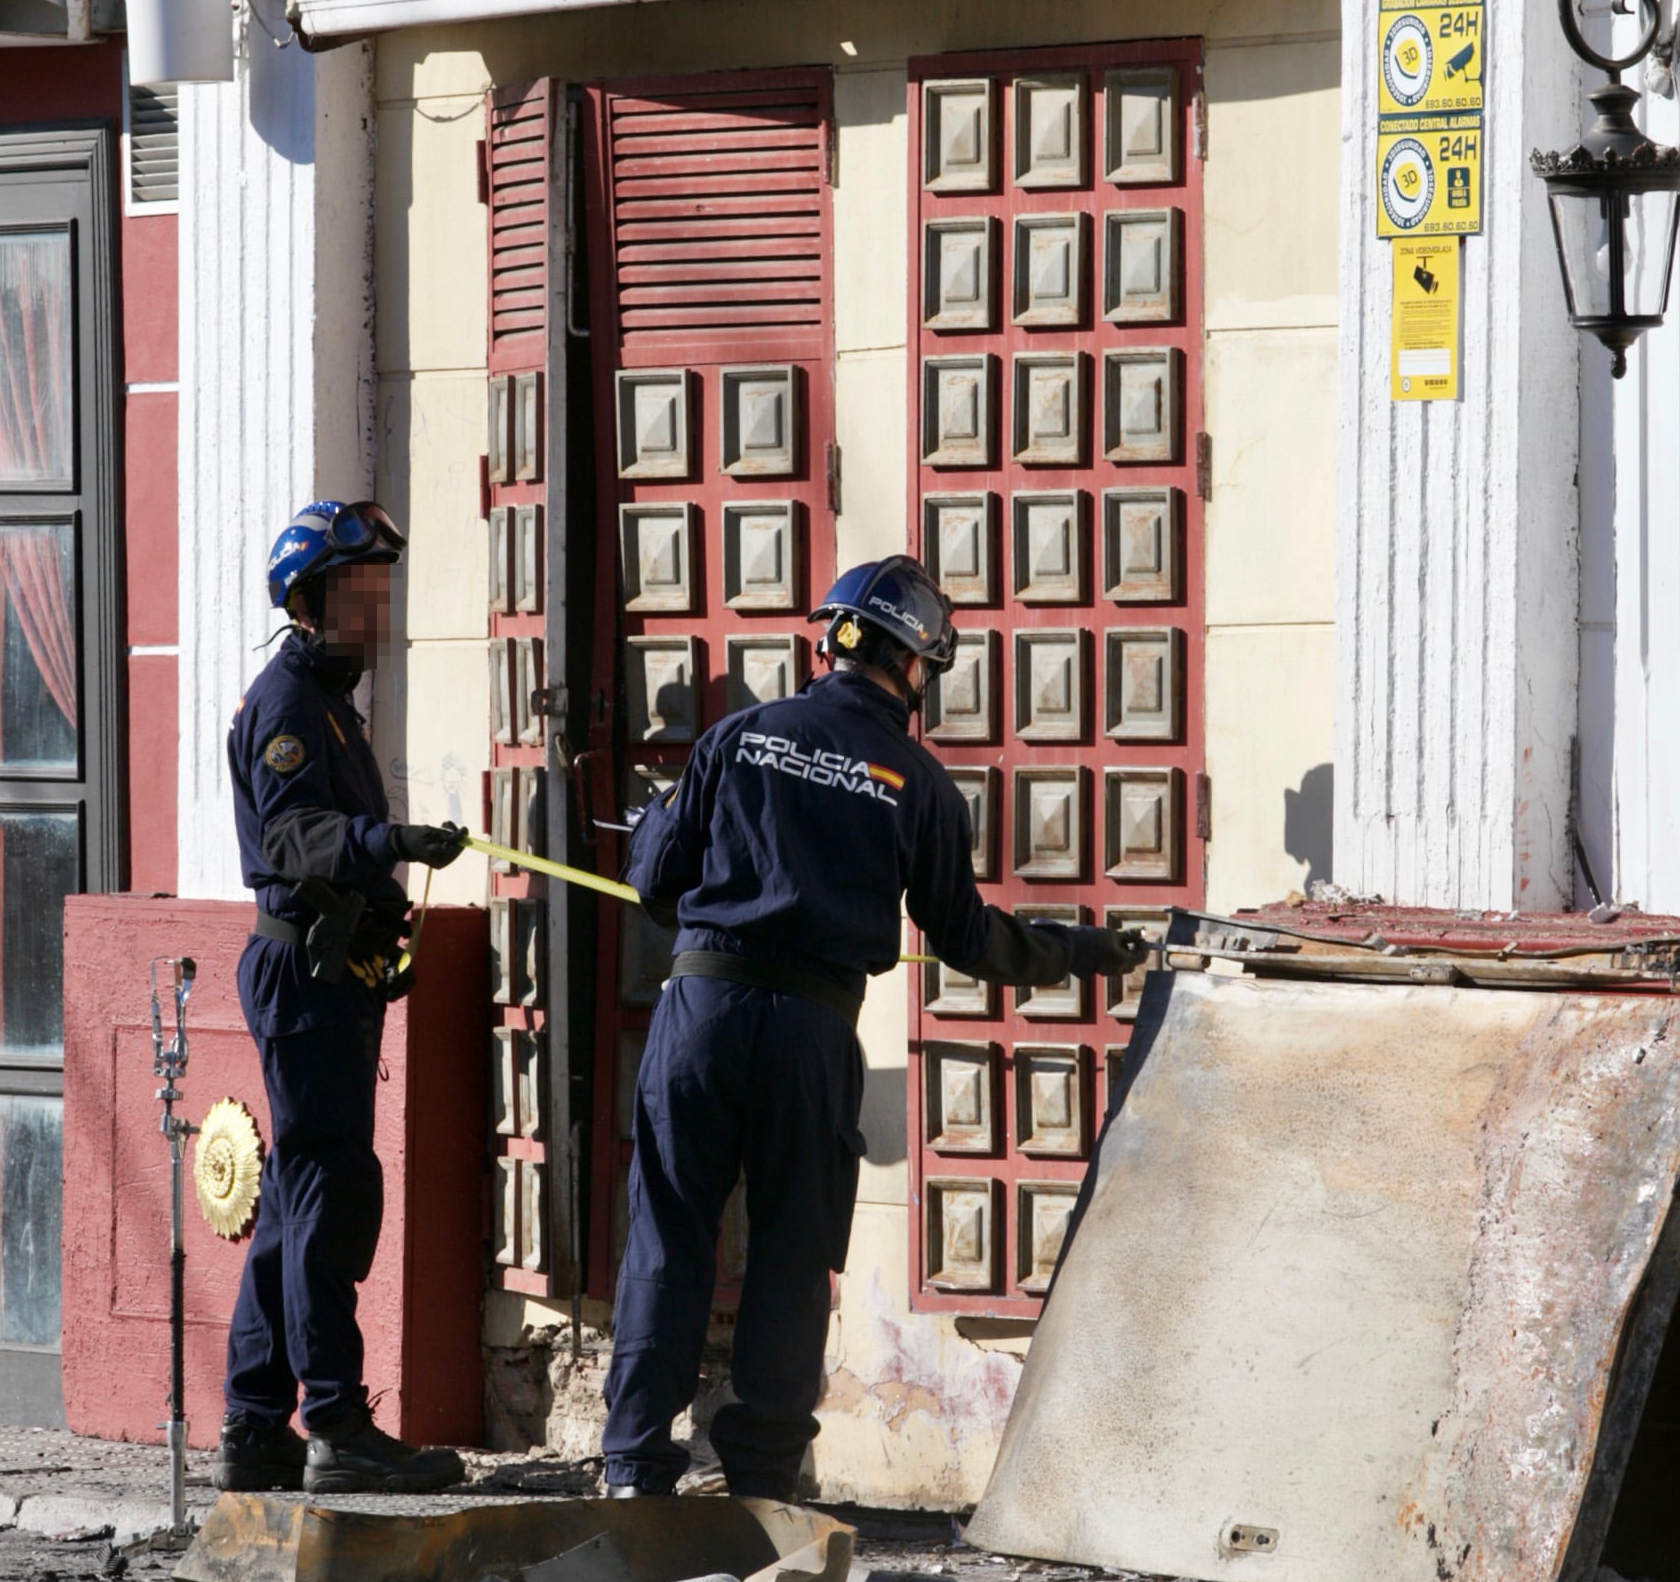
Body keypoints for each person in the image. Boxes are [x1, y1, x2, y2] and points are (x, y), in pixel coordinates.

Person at [601, 554, 1149, 1501]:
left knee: (668, 1236)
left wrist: (657, 824)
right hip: (811, 1033)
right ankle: (762, 1485)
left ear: (830, 642)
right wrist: (1081, 951)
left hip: (700, 1015)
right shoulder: (919, 783)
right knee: (789, 1251)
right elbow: (971, 939)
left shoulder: (739, 736)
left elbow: (654, 885)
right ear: (915, 667)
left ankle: (633, 1471)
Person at [213, 499, 471, 1495]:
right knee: (329, 1189)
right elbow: (288, 843)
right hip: (301, 975)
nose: (377, 611)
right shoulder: (286, 705)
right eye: (360, 593)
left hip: (332, 969)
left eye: (382, 592)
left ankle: (252, 1421)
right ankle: (333, 1421)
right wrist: (390, 844)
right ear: (309, 602)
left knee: (292, 1199)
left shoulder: (327, 702)